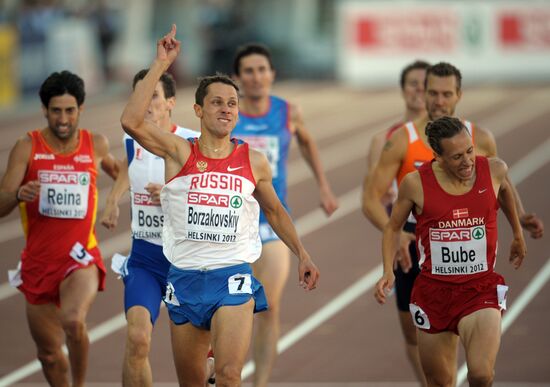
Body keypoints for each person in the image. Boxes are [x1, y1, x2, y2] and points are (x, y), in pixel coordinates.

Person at [120, 25, 320, 386]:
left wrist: (302, 253)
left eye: (232, 103)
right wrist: (160, 65)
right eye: (216, 102)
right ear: (197, 109)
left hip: (232, 277)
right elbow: (131, 121)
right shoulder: (178, 150)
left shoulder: (253, 160)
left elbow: (274, 211)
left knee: (228, 375)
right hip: (183, 278)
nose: (226, 109)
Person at [363, 61, 544, 386]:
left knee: (480, 374)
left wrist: (520, 224)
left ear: (459, 95)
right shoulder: (403, 147)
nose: (439, 100)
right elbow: (373, 202)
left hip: (479, 286)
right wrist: (392, 260)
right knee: (435, 372)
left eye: (447, 94)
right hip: (423, 262)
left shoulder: (484, 145)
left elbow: (500, 184)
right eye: (432, 92)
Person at [374, 116, 527, 387]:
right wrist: (388, 270)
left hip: (479, 289)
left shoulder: (493, 170)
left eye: (469, 151)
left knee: (480, 374)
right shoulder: (415, 184)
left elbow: (505, 192)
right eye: (457, 157)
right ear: (437, 157)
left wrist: (517, 233)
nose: (467, 161)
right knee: (440, 382)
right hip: (434, 293)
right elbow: (392, 228)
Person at [0, 70, 119, 386]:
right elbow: (1, 205)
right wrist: (17, 194)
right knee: (49, 356)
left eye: (70, 110)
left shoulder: (96, 144)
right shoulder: (26, 147)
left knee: (73, 319)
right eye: (56, 111)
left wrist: (116, 201)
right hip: (38, 263)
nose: (63, 118)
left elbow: (122, 173)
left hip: (80, 257)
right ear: (44, 110)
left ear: (80, 109)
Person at [231, 43, 338, 387]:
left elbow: (307, 142)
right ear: (237, 78)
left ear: (272, 74)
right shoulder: (228, 113)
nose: (256, 77)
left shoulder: (288, 112)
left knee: (270, 304)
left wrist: (323, 186)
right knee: (232, 305)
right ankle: (225, 371)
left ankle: (259, 382)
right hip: (231, 222)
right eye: (248, 71)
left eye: (262, 70)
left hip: (272, 221)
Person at [100, 69, 200, 386]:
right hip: (145, 256)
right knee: (138, 339)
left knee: (195, 363)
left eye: (152, 95)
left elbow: (206, 199)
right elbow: (128, 171)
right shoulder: (132, 138)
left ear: (170, 102)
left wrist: (172, 195)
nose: (145, 103)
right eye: (139, 95)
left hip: (184, 261)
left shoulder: (191, 142)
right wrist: (113, 199)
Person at [361, 59, 430, 386]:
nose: (419, 90)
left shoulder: (454, 137)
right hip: (407, 241)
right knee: (413, 331)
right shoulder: (384, 140)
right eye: (413, 83)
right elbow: (371, 200)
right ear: (403, 90)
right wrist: (398, 233)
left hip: (445, 236)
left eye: (425, 84)